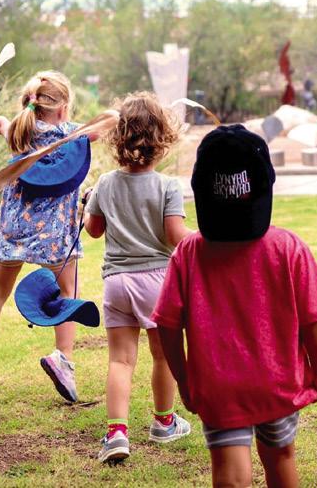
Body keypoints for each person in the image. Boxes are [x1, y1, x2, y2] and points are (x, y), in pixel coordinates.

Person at [153, 125, 317, 488]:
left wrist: (185, 381)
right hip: (279, 384)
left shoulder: (189, 253)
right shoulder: (288, 248)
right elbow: (314, 321)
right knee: (281, 458)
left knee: (230, 473)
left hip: (217, 387)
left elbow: (167, 325)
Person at [0, 71, 92, 402]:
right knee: (67, 291)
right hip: (54, 233)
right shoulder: (73, 134)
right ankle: (62, 359)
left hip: (14, 229)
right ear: (63, 108)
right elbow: (108, 125)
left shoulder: (19, 132)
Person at [82, 92, 192, 463]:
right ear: (162, 139)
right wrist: (202, 239)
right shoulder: (167, 187)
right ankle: (164, 422)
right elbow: (175, 236)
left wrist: (87, 207)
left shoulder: (105, 184)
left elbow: (94, 230)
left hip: (117, 282)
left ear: (118, 139)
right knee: (163, 356)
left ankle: (116, 433)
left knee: (120, 360)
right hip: (157, 282)